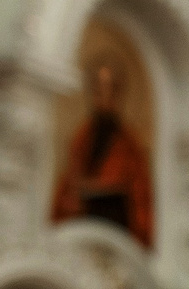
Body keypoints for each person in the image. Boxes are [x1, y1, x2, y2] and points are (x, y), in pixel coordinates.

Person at [51, 55, 156, 244]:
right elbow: (67, 190)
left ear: (119, 94)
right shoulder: (81, 139)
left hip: (114, 234)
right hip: (80, 233)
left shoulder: (129, 146)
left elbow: (140, 202)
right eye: (98, 90)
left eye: (111, 90)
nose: (104, 98)